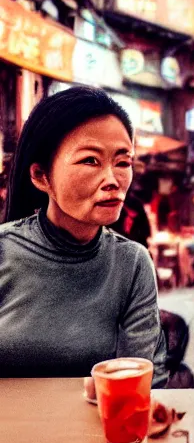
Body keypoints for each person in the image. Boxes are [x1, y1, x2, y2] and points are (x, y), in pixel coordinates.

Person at [0, 87, 167, 386]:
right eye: (90, 160)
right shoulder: (4, 249)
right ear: (41, 176)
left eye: (122, 162)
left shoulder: (131, 263)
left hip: (97, 429)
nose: (112, 181)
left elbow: (144, 380)